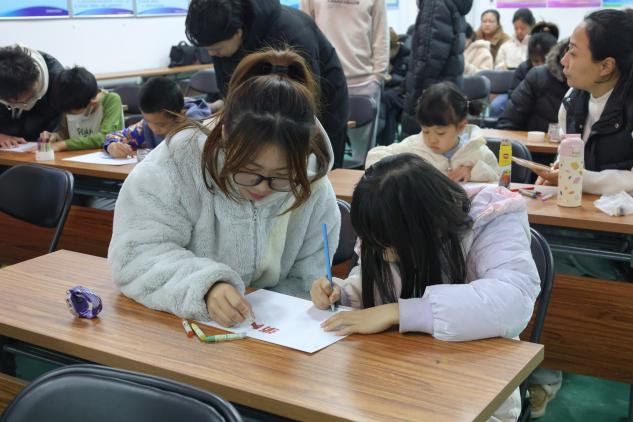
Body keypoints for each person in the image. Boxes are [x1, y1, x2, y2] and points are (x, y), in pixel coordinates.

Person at [109, 48, 341, 327]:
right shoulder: (179, 161)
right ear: (225, 138)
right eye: (249, 172)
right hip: (180, 327)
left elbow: (308, 278)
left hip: (270, 336)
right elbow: (134, 254)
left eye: (282, 177)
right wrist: (205, 286)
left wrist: (318, 293)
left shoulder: (313, 183)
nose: (263, 188)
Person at [311, 153, 540, 422]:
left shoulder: (491, 218)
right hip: (399, 372)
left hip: (474, 385)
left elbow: (513, 301)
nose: (383, 254)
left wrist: (400, 312)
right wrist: (345, 293)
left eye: (388, 246)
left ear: (421, 226)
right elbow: (381, 279)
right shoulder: (387, 228)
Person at [530, 9, 633, 417]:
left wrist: (583, 180)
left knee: (549, 263)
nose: (564, 60)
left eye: (573, 51)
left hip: (619, 241)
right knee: (528, 250)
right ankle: (542, 368)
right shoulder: (572, 101)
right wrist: (556, 174)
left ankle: (550, 367)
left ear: (607, 66)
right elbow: (569, 162)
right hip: (580, 226)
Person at [184, 0, 349, 168]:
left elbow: (304, 104)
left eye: (217, 49)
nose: (212, 54)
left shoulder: (292, 34)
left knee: (308, 171)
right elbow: (230, 90)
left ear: (239, 32)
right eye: (208, 49)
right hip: (265, 114)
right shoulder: (220, 36)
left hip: (320, 110)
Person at [367, 82, 499, 183]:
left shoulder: (476, 151)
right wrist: (404, 170)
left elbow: (498, 178)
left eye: (440, 133)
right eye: (425, 131)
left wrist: (472, 171)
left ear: (461, 127)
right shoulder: (414, 147)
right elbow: (374, 158)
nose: (431, 140)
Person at [400, 0, 473, 138]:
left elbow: (428, 58)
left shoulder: (434, 3)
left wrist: (416, 96)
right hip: (446, 90)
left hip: (429, 96)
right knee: (444, 144)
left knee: (422, 146)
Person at [104, 77, 212, 158]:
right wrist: (112, 146)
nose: (154, 129)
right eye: (148, 121)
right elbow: (115, 136)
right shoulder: (147, 126)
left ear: (181, 116)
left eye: (161, 125)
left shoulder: (197, 131)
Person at [39, 66, 123, 151]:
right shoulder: (70, 101)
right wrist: (55, 136)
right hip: (76, 156)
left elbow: (105, 137)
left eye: (72, 112)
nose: (68, 114)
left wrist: (63, 145)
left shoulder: (111, 100)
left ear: (92, 103)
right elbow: (65, 135)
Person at [498, 38, 569, 132]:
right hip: (532, 139)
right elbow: (508, 123)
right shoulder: (537, 76)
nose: (565, 60)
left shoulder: (584, 89)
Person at [0, 45, 63, 148]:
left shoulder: (58, 80)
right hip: (7, 148)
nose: (26, 103)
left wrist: (57, 134)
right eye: (17, 102)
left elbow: (68, 123)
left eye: (31, 96)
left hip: (41, 147)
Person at [376, 27, 410, 146]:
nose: (384, 56)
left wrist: (392, 78)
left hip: (403, 96)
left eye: (386, 52)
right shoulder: (380, 57)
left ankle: (384, 142)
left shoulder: (408, 57)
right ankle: (385, 143)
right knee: (387, 105)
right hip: (389, 97)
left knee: (386, 98)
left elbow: (410, 81)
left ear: (395, 47)